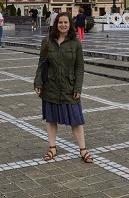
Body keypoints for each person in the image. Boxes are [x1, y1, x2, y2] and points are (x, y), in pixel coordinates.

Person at [34, 12, 92, 164]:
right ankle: (52, 147)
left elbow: (80, 67)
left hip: (69, 86)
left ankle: (83, 149)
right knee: (51, 119)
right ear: (56, 24)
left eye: (66, 22)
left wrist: (77, 88)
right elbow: (41, 64)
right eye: (60, 22)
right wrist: (37, 83)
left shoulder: (75, 43)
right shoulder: (47, 42)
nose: (63, 25)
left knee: (76, 120)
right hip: (51, 86)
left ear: (70, 24)